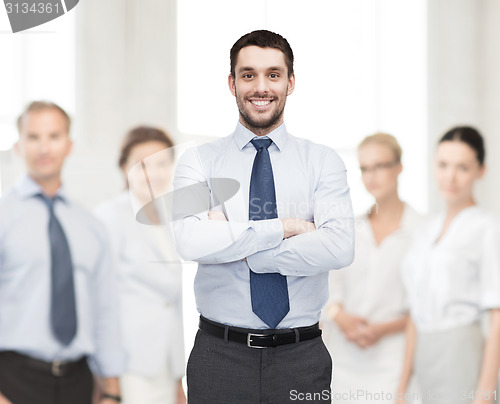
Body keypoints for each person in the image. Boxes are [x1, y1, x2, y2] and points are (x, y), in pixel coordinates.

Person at [171, 30, 355, 403]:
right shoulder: (198, 161)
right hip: (218, 356)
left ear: (290, 82)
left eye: (273, 74)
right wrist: (284, 229)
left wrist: (240, 245)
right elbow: (190, 241)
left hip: (301, 358)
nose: (261, 87)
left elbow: (339, 247)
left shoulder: (323, 162)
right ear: (232, 83)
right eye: (248, 74)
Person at [0, 101, 125, 404]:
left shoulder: (90, 225)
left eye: (54, 136)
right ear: (18, 145)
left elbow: (105, 308)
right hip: (14, 380)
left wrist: (112, 390)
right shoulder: (3, 216)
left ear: (69, 145)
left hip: (79, 383)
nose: (44, 147)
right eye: (33, 137)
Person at [397, 126, 500, 404]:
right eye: (443, 165)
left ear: (481, 171)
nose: (450, 177)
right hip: (424, 357)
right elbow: (414, 315)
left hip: (462, 352)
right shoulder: (425, 232)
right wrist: (401, 388)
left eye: (462, 167)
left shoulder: (487, 229)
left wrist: (485, 396)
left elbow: (497, 316)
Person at [322, 133, 421, 403]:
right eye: (365, 168)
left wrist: (382, 329)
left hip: (393, 361)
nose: (372, 176)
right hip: (343, 358)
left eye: (380, 166)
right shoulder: (348, 229)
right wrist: (340, 317)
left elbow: (422, 306)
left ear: (399, 167)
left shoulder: (422, 231)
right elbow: (328, 289)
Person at [95, 126, 186, 404]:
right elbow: (100, 301)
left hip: (165, 364)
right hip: (127, 366)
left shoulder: (172, 220)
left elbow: (172, 302)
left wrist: (177, 378)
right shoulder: (109, 218)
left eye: (162, 163)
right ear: (125, 168)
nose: (155, 173)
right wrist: (108, 380)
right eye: (143, 165)